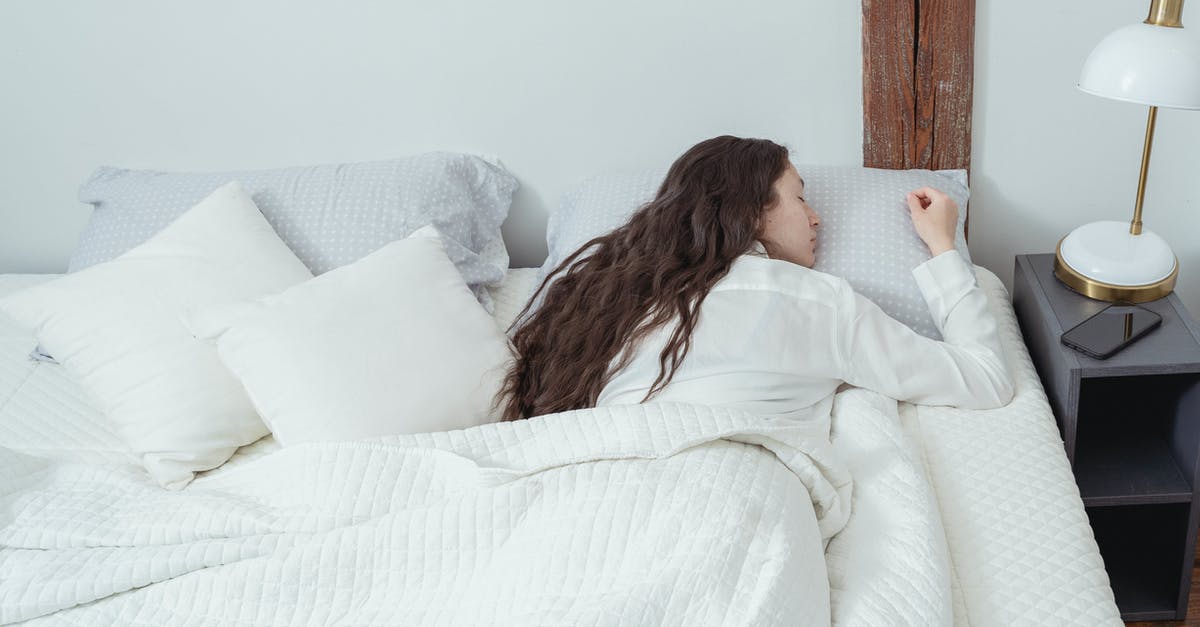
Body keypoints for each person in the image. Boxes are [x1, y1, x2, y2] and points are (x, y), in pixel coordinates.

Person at [498, 135, 1013, 424]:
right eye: (799, 197)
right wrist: (944, 247)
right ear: (750, 210)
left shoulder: (605, 303)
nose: (817, 218)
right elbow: (987, 380)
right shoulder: (816, 302)